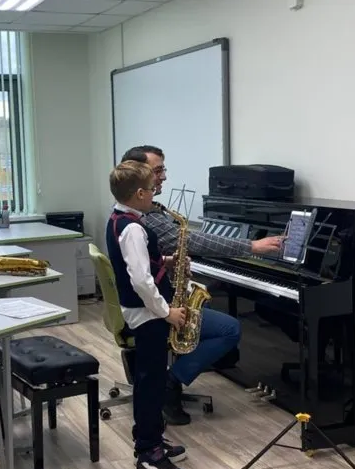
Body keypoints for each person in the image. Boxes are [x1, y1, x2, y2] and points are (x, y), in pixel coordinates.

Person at [121, 145, 284, 424]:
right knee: (229, 329)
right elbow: (196, 241)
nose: (164, 177)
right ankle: (171, 382)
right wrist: (252, 246)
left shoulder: (129, 213)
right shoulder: (144, 218)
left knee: (218, 319)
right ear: (138, 175)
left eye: (163, 169)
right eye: (158, 171)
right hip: (154, 309)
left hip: (149, 302)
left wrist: (165, 261)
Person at [106, 159, 192, 469]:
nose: (156, 193)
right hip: (148, 315)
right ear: (140, 194)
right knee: (151, 382)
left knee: (151, 380)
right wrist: (166, 312)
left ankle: (151, 436)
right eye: (152, 189)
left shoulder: (120, 219)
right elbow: (141, 281)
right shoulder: (133, 228)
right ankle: (148, 456)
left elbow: (139, 264)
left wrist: (165, 260)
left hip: (144, 312)